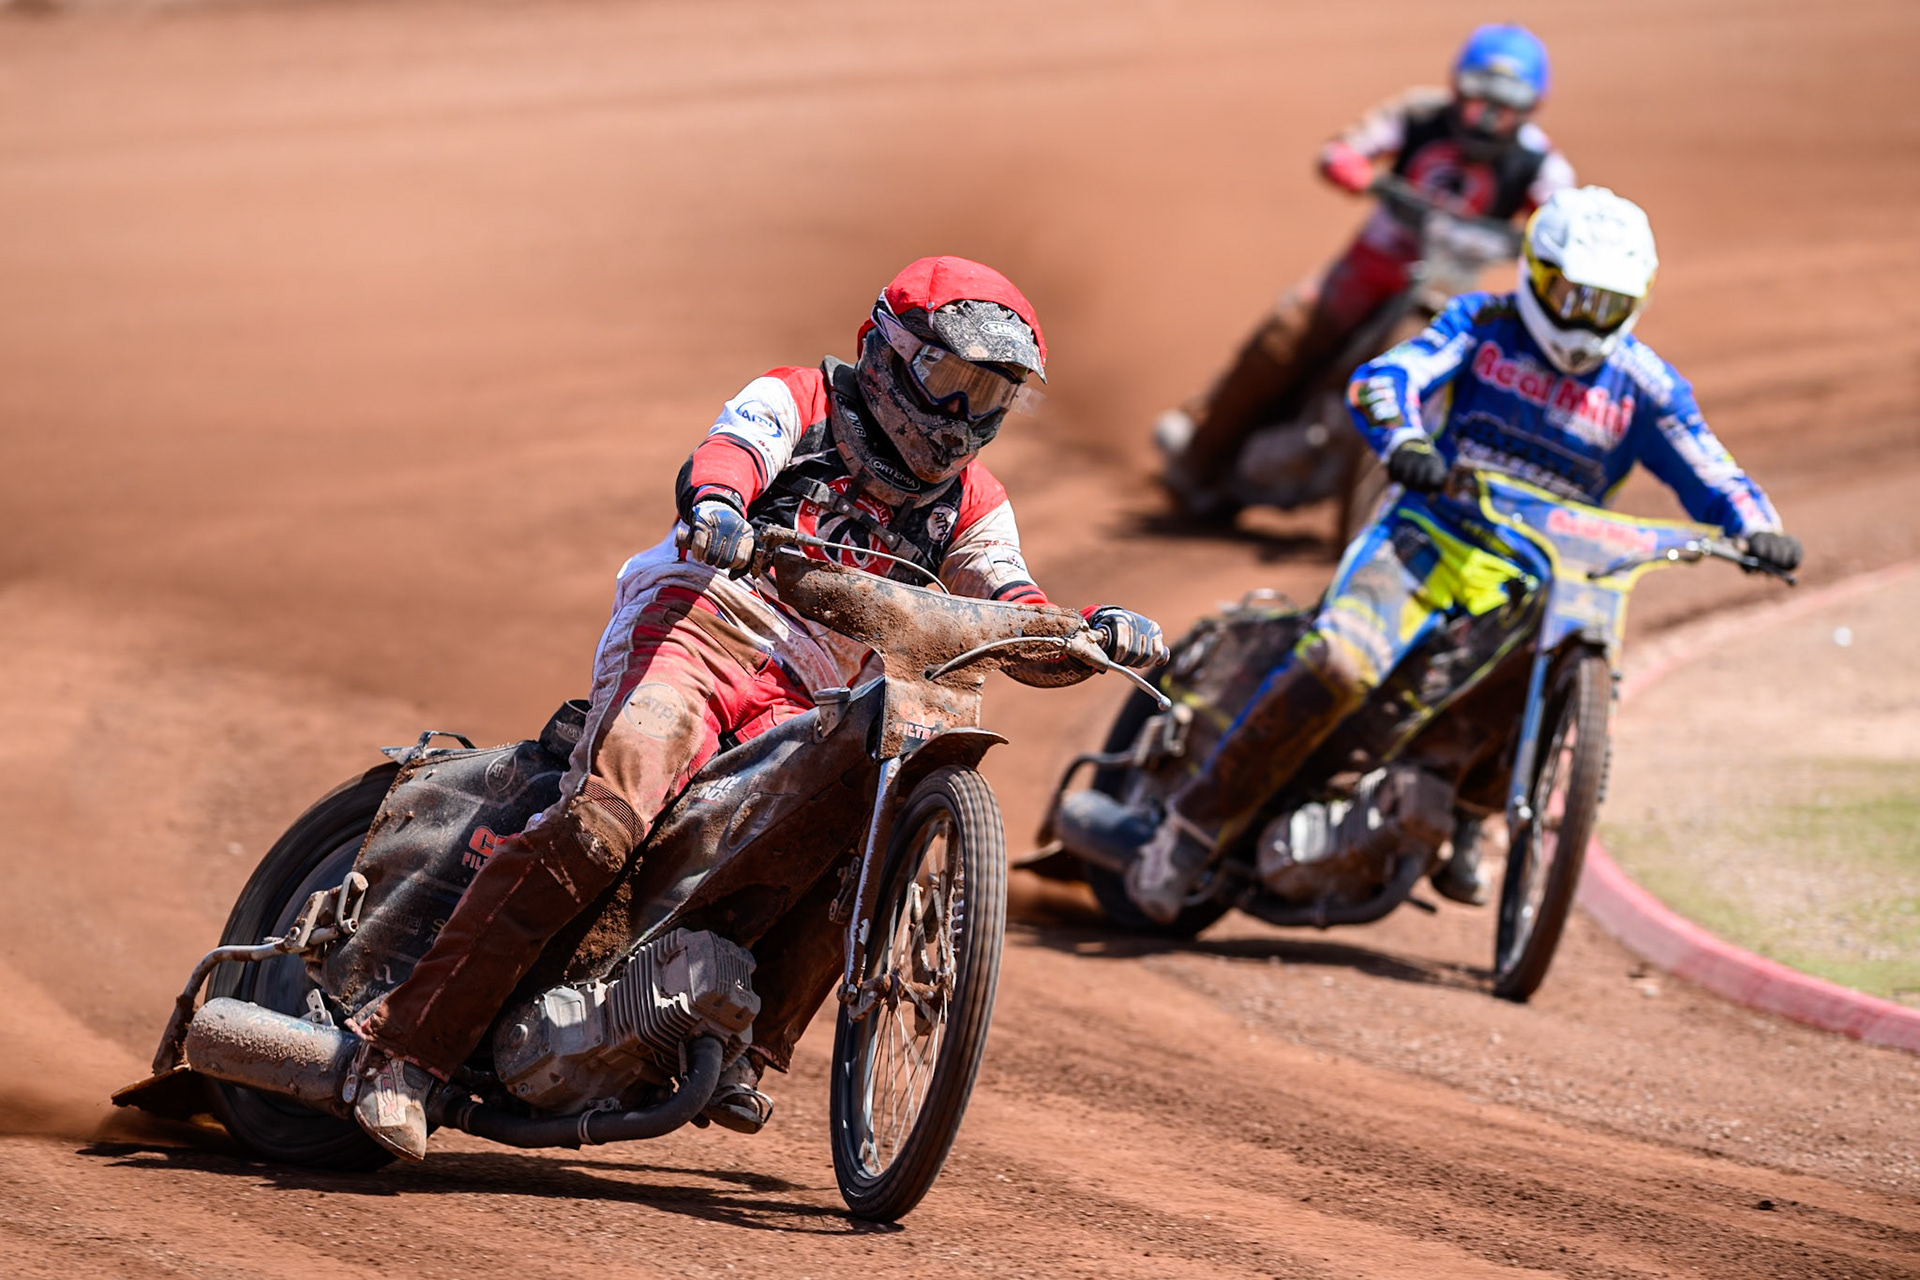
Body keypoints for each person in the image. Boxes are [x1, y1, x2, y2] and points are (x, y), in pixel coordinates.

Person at [346, 256, 1167, 1160]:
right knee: (604, 822)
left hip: (815, 689)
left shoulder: (975, 502)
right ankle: (402, 1052)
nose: (964, 416)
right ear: (884, 351)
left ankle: (738, 1041)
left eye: (992, 392)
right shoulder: (799, 400)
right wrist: (718, 505)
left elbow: (1006, 597)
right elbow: (731, 453)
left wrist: (1088, 632)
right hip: (701, 625)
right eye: (948, 378)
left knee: (857, 821)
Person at [1123, 187, 1803, 922]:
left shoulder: (1646, 385)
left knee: (1556, 664)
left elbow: (1713, 471)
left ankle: (1469, 817)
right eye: (1570, 295)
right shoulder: (1482, 324)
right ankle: (1189, 832)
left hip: (1538, 577)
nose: (1583, 320)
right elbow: (1387, 379)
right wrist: (1406, 443)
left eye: (1604, 305)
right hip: (1426, 540)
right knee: (1338, 665)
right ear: (1538, 277)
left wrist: (1756, 528)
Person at [1159, 23, 1576, 519]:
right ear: (1456, 90)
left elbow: (1564, 215)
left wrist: (1561, 241)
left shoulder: (1539, 163)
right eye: (1478, 102)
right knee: (1282, 339)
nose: (1487, 120)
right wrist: (1352, 168)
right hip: (1366, 272)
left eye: (1504, 109)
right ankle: (1196, 459)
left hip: (1448, 290)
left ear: (1530, 109)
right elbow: (1345, 148)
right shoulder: (1419, 114)